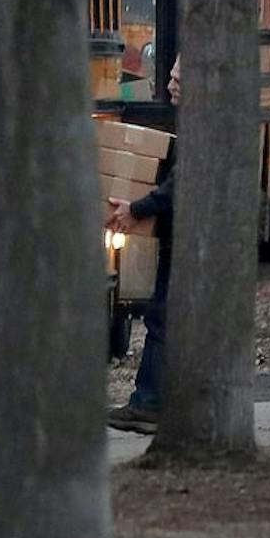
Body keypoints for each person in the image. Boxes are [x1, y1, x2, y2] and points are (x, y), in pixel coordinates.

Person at [107, 56, 180, 434]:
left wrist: (138, 209)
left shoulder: (202, 129)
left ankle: (149, 402)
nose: (170, 83)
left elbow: (178, 187)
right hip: (188, 236)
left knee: (162, 317)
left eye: (179, 76)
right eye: (170, 75)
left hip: (185, 239)